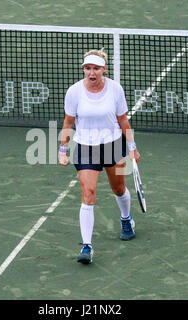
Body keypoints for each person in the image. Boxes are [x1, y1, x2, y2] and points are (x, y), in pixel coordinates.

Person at [58, 48, 141, 264]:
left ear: (103, 69)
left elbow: (123, 120)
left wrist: (132, 146)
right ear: (84, 69)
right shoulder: (74, 92)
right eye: (87, 68)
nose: (91, 72)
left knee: (118, 188)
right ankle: (87, 246)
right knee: (88, 193)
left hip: (113, 145)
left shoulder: (115, 89)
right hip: (86, 147)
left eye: (95, 68)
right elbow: (68, 123)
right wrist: (62, 148)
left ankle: (126, 219)